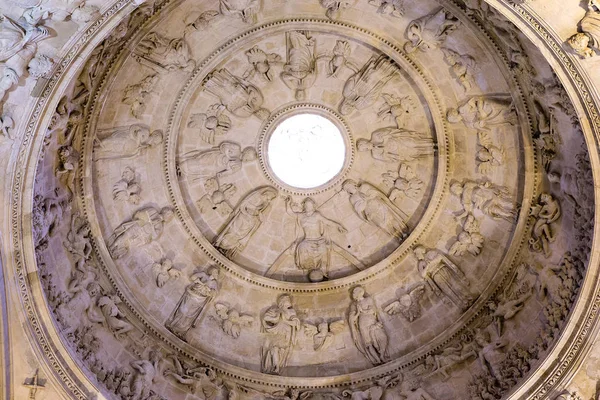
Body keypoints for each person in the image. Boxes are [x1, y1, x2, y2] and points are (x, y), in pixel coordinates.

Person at [214, 186, 278, 258]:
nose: (269, 199)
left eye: (270, 198)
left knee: (239, 236)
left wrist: (258, 214)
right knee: (232, 230)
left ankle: (228, 249)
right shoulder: (256, 195)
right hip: (243, 216)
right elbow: (245, 203)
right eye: (269, 196)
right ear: (266, 193)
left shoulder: (267, 204)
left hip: (251, 221)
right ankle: (221, 245)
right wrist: (248, 210)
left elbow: (263, 218)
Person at [342, 179, 408, 239]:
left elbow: (376, 193)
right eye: (347, 189)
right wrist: (364, 203)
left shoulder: (364, 186)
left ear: (353, 184)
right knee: (383, 225)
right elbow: (359, 210)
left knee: (390, 218)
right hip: (371, 213)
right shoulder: (352, 199)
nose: (349, 190)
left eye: (349, 187)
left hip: (378, 205)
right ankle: (397, 237)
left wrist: (369, 198)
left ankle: (403, 232)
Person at [166, 268, 219, 340]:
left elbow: (214, 294)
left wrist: (209, 290)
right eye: (215, 272)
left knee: (190, 316)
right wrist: (199, 281)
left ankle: (181, 331)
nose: (216, 274)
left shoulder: (214, 283)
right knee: (183, 310)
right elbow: (192, 277)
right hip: (193, 294)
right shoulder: (203, 275)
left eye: (217, 273)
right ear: (211, 271)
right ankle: (173, 324)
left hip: (201, 299)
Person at [107, 206, 174, 259]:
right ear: (164, 210)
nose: (168, 215)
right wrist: (148, 220)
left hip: (142, 236)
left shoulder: (160, 226)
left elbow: (154, 236)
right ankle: (112, 246)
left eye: (169, 215)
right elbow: (139, 214)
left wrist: (151, 227)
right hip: (138, 226)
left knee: (127, 243)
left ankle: (116, 252)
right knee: (124, 236)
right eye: (168, 213)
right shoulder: (153, 211)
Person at [348, 286, 389, 365]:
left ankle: (382, 355)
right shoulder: (354, 304)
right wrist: (358, 313)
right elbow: (353, 319)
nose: (353, 294)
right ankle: (377, 360)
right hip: (362, 323)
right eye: (353, 293)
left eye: (355, 292)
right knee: (368, 343)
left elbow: (372, 310)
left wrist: (362, 310)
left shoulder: (368, 299)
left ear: (360, 292)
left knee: (382, 336)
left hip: (371, 320)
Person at [261, 294, 301, 374]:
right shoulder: (275, 310)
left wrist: (285, 320)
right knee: (274, 349)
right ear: (282, 302)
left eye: (289, 300)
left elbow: (296, 323)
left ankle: (277, 366)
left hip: (286, 334)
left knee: (281, 350)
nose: (288, 302)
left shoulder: (291, 311)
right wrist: (276, 318)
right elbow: (265, 318)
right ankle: (275, 367)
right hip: (275, 332)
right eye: (286, 300)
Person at [177, 142, 257, 181]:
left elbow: (229, 172)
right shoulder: (237, 148)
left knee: (200, 169)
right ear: (247, 152)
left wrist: (227, 168)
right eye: (248, 158)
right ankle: (181, 165)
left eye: (249, 160)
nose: (247, 161)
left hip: (216, 167)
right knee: (198, 161)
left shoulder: (239, 165)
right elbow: (224, 146)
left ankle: (182, 171)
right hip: (215, 156)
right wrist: (228, 156)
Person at [356, 127, 435, 163]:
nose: (367, 148)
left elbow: (388, 131)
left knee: (414, 142)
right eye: (365, 149)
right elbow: (387, 158)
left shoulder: (375, 135)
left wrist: (381, 143)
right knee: (416, 152)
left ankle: (433, 143)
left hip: (398, 141)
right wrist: (384, 152)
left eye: (365, 146)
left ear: (365, 141)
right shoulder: (375, 154)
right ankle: (433, 152)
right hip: (398, 151)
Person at [93, 124, 163, 160]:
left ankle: (95, 150)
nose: (155, 142)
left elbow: (136, 149)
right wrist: (138, 144)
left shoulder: (146, 145)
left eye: (156, 142)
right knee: (109, 141)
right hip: (127, 138)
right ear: (155, 135)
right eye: (156, 139)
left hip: (125, 146)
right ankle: (96, 142)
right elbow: (139, 133)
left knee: (109, 149)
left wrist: (136, 150)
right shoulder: (147, 132)